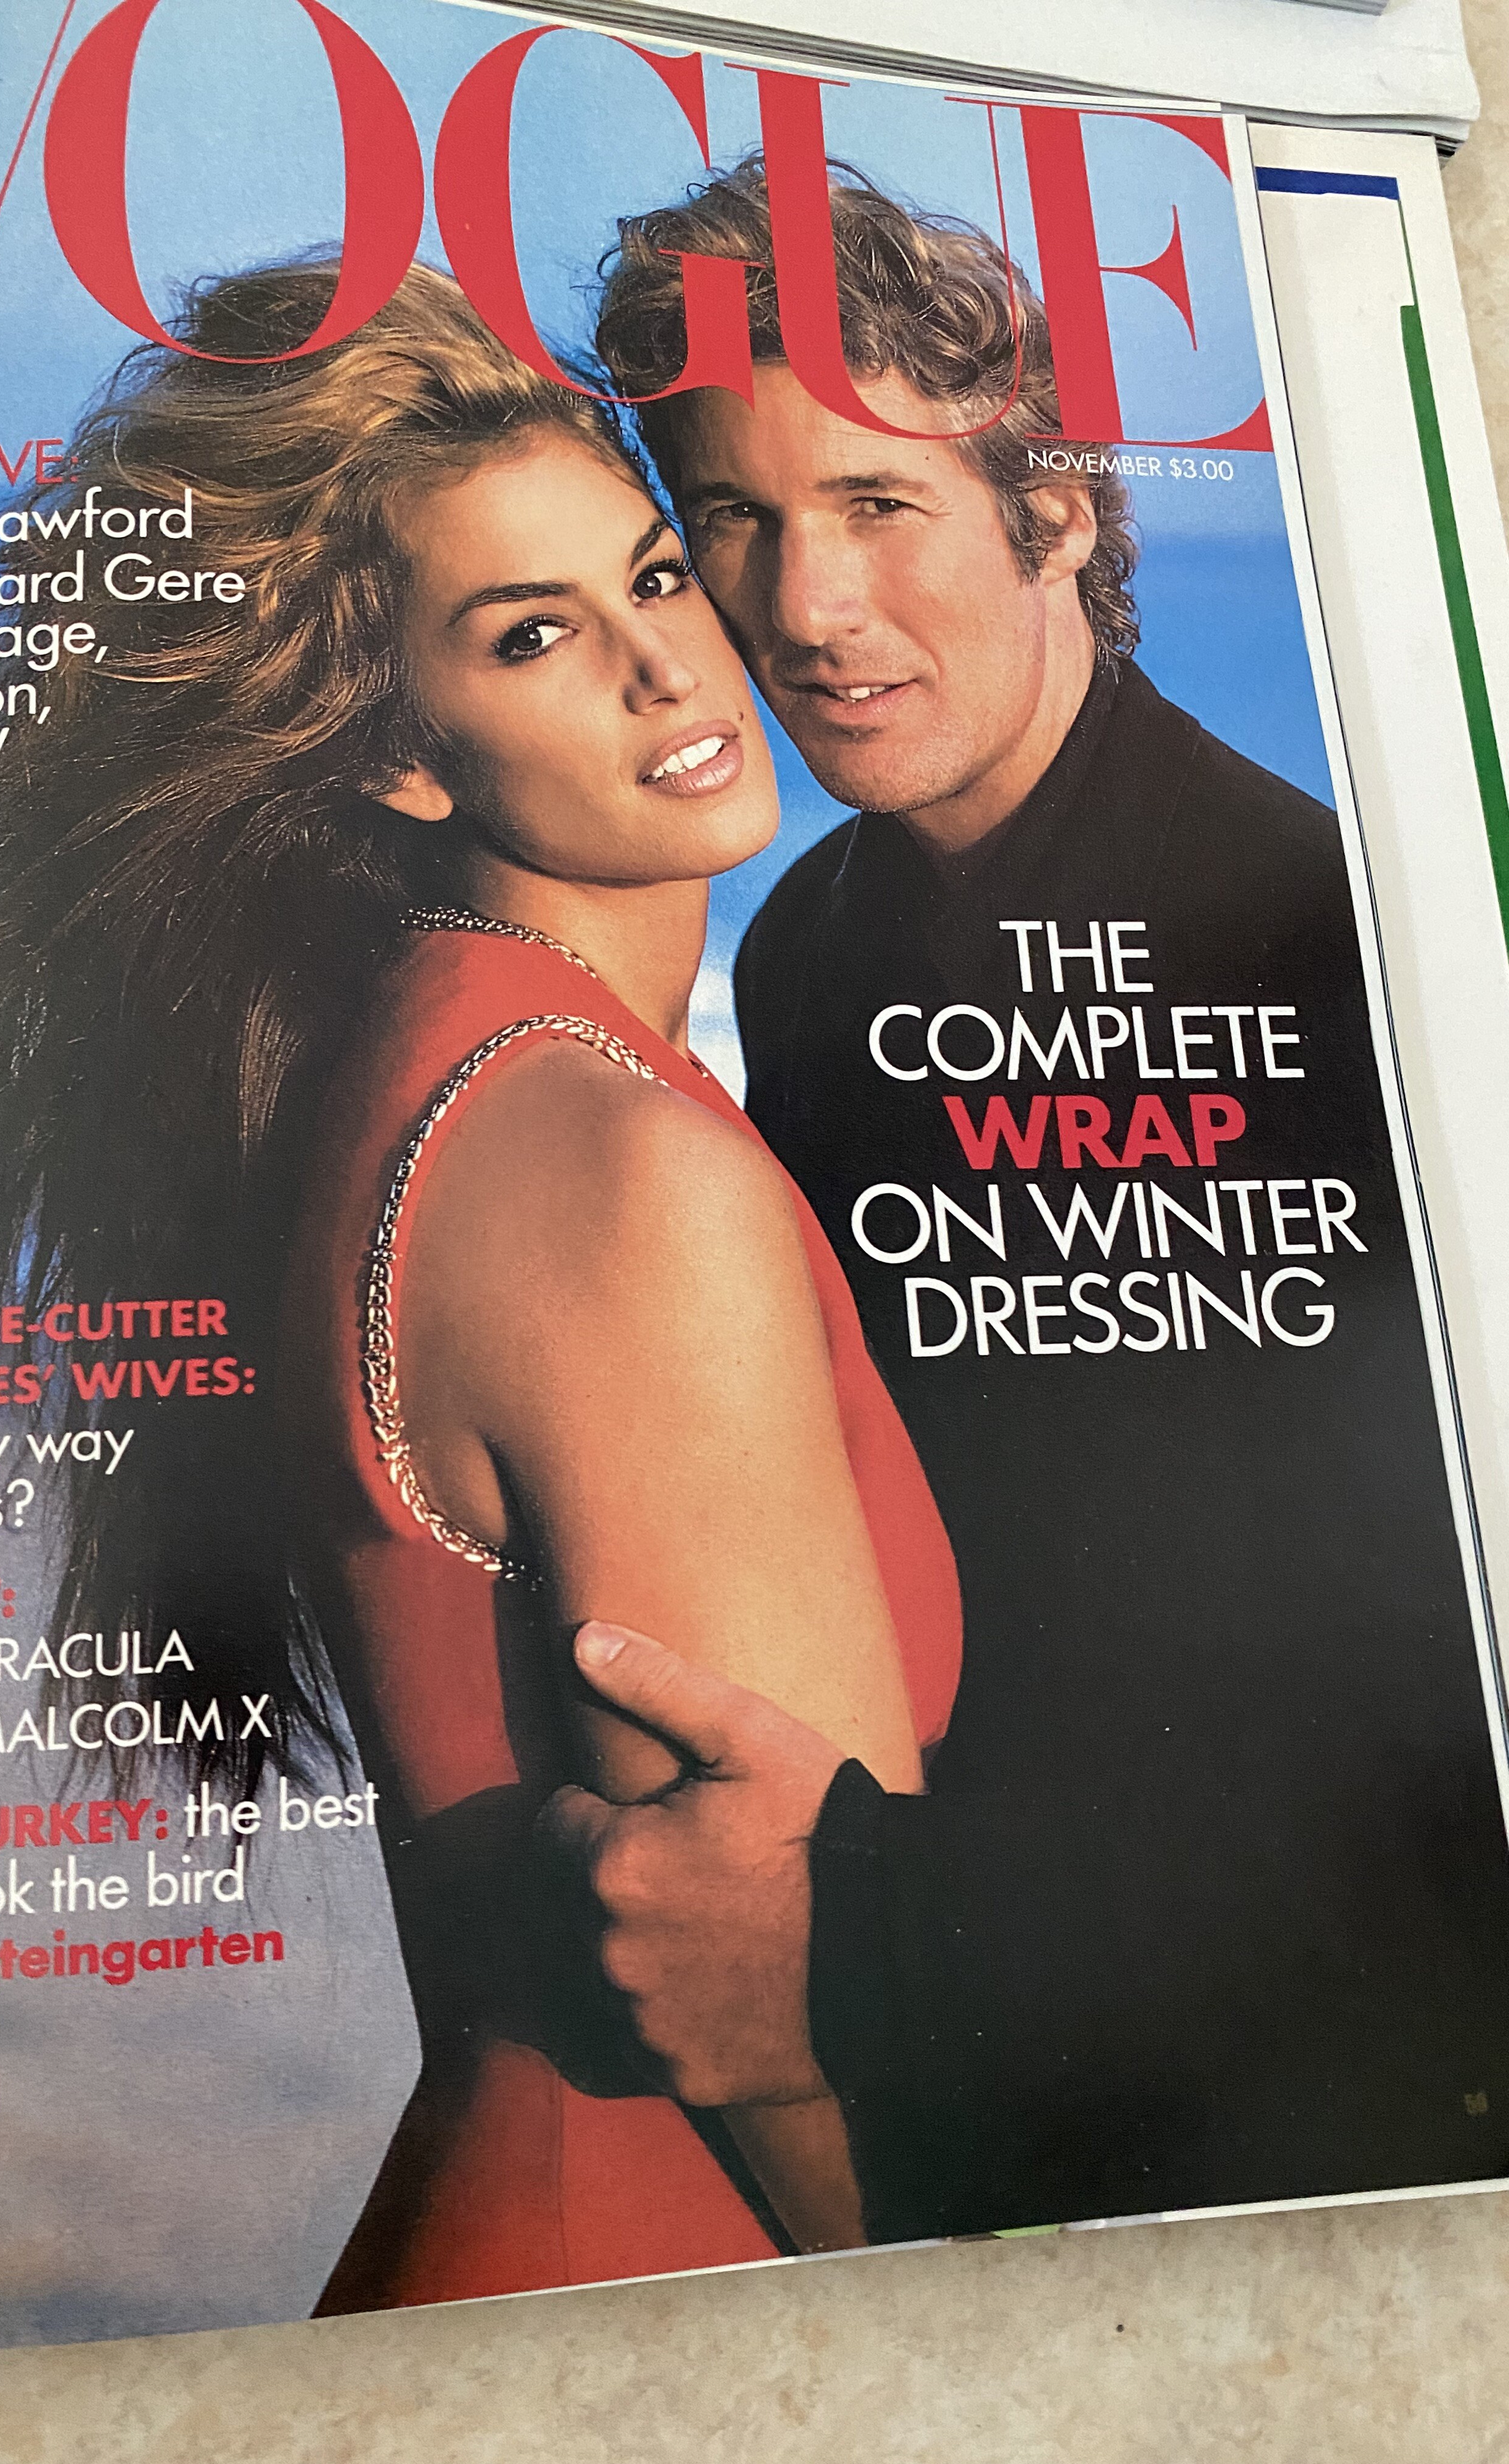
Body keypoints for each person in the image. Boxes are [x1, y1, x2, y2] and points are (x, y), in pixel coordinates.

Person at [0, 260, 962, 2309]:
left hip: (534, 2272)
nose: (668, 668)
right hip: (677, 2311)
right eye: (534, 634)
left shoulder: (412, 1066)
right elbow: (787, 2039)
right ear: (398, 754)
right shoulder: (615, 1168)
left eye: (657, 575)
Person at [574, 160, 1509, 2232]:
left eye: (878, 504)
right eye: (732, 516)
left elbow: (1398, 1748)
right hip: (1016, 2077)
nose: (807, 611)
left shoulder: (1321, 946)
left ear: (1060, 514)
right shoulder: (813, 942)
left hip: (1322, 2140)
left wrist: (857, 1941)